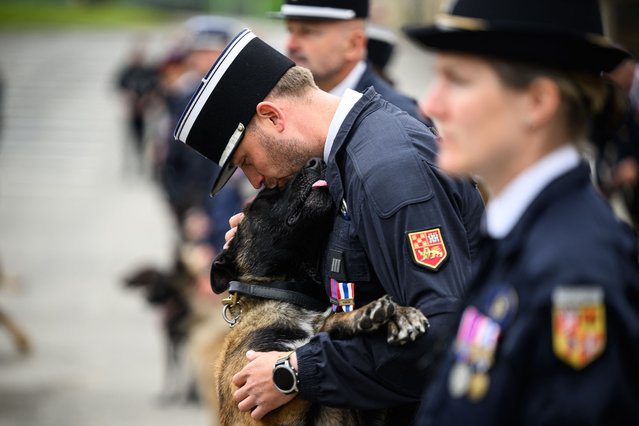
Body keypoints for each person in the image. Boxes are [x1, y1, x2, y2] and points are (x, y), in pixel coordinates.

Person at [173, 29, 484, 423]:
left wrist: (296, 372)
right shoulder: (350, 157)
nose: (253, 180)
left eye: (245, 159)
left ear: (272, 116)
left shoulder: (387, 170)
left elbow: (443, 333)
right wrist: (264, 248)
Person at [402, 0, 639, 424]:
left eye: (456, 80)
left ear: (537, 102)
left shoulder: (576, 267)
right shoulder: (519, 232)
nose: (431, 104)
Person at [269, 0, 428, 124]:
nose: (291, 45)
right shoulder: (277, 103)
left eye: (308, 32)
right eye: (290, 30)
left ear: (353, 45)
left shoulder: (400, 118)